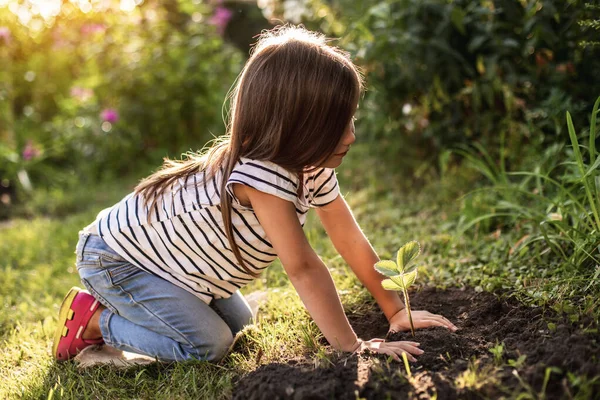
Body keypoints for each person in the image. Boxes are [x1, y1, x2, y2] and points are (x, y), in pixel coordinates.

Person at [52, 25, 457, 363]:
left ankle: (179, 303)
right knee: (210, 345)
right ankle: (92, 320)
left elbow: (348, 237)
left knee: (242, 327)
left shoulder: (309, 163)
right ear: (296, 126)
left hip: (179, 268)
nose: (351, 135)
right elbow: (302, 267)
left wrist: (396, 310)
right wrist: (352, 347)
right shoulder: (260, 175)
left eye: (350, 119)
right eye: (337, 125)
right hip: (118, 259)